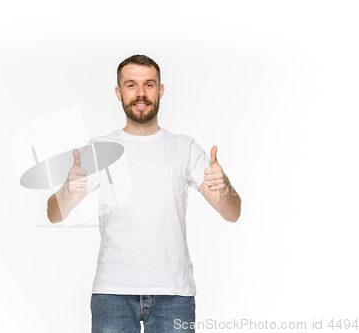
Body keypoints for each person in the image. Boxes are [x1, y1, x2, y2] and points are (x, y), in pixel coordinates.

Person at [47, 54, 241, 333]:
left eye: (149, 85)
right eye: (131, 85)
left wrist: (225, 186)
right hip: (112, 292)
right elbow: (54, 214)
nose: (140, 93)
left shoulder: (184, 147)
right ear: (119, 92)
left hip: (174, 294)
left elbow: (231, 214)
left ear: (160, 90)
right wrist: (67, 189)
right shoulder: (100, 148)